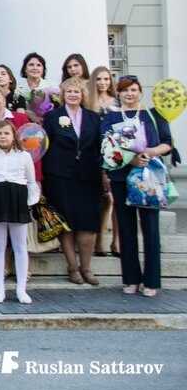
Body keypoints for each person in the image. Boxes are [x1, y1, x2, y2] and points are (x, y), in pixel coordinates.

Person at [102, 76, 173, 297]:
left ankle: (152, 281)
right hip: (122, 177)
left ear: (140, 91)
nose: (129, 94)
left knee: (150, 228)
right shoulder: (111, 117)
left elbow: (167, 143)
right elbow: (105, 144)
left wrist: (151, 152)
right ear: (118, 93)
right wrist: (129, 159)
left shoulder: (153, 115)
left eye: (133, 90)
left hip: (149, 177)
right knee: (126, 228)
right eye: (124, 91)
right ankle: (131, 279)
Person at [41, 78, 103, 286]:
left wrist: (104, 173)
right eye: (69, 92)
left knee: (88, 225)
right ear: (62, 94)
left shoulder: (94, 118)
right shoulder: (52, 116)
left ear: (82, 94)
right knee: (65, 224)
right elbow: (44, 147)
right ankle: (72, 267)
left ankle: (86, 267)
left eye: (77, 91)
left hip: (88, 176)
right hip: (60, 177)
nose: (73, 95)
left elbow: (100, 147)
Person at [0, 121, 38, 304]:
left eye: (6, 133)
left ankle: (21, 289)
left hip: (17, 199)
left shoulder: (24, 156)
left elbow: (31, 181)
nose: (3, 137)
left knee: (20, 246)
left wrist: (28, 202)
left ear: (14, 136)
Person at [90, 66, 119, 257]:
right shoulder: (89, 102)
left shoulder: (117, 102)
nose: (103, 83)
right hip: (94, 152)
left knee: (115, 198)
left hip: (116, 153)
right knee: (102, 199)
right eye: (99, 79)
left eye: (106, 79)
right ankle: (98, 239)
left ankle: (116, 241)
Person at [17, 52, 56, 124]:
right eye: (31, 65)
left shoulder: (51, 86)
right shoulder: (17, 88)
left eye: (38, 65)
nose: (35, 68)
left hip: (48, 123)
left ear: (43, 70)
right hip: (25, 124)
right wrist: (31, 117)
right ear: (25, 69)